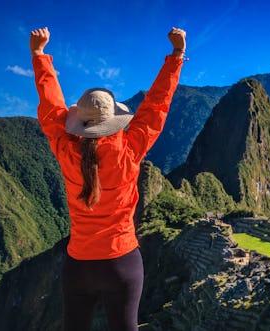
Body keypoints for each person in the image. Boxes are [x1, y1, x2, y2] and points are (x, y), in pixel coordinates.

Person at [30, 26, 186, 331]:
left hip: (79, 265)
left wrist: (39, 55)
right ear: (114, 120)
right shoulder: (130, 149)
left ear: (79, 124)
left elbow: (51, 112)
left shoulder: (66, 150)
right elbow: (156, 107)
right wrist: (176, 56)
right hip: (122, 263)